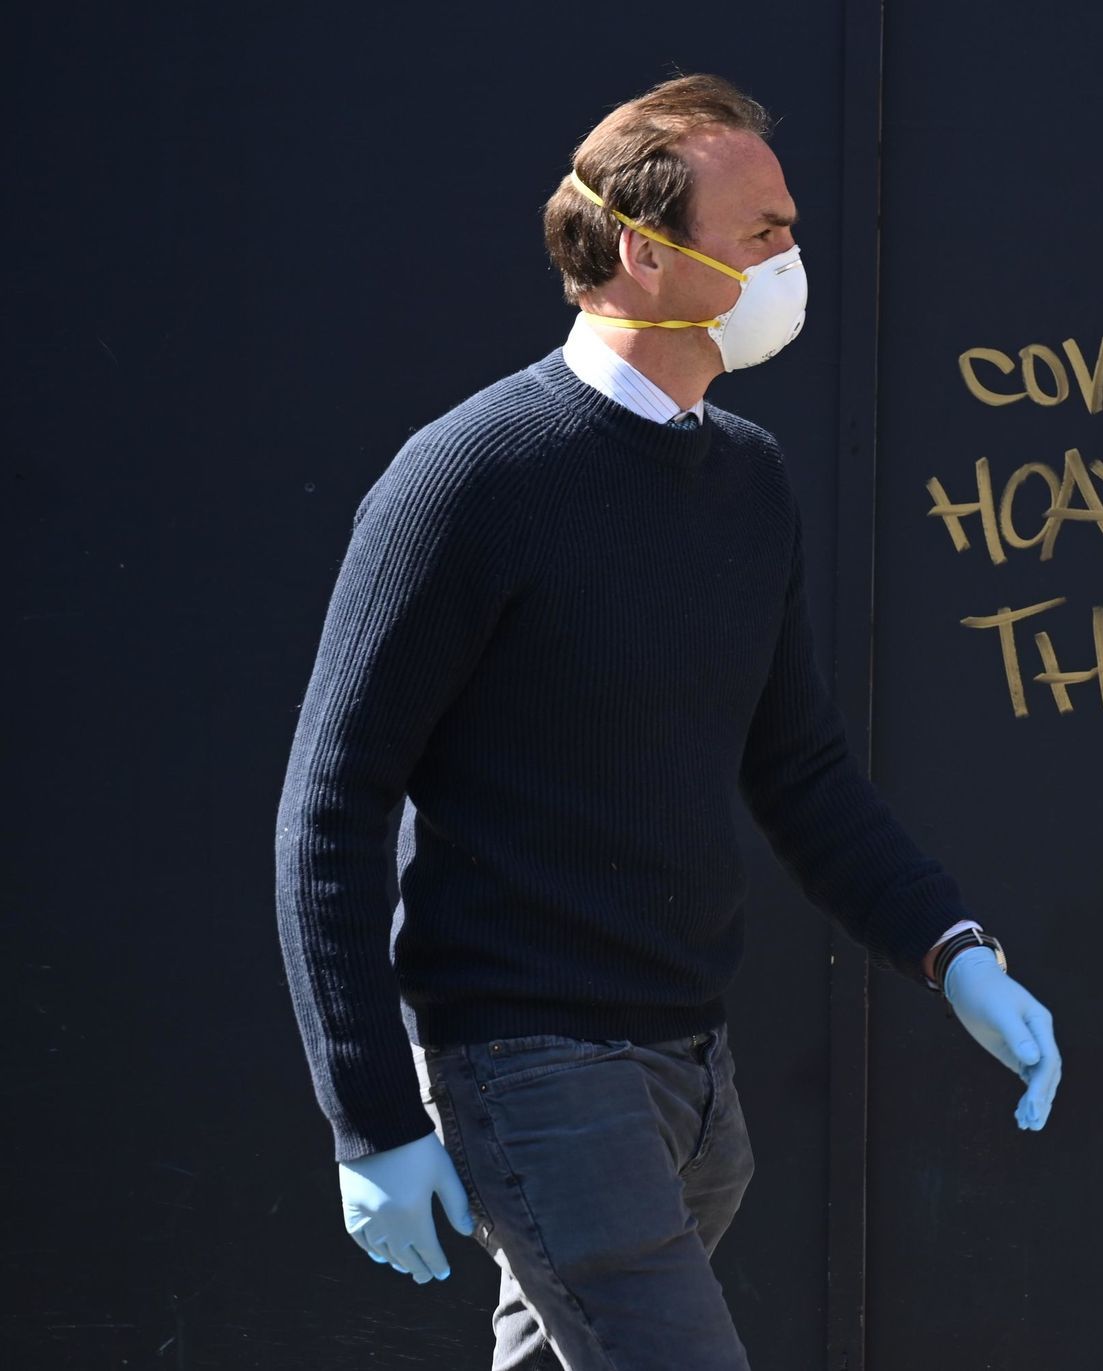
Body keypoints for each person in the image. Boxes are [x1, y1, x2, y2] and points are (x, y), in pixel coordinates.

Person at [273, 72, 1061, 1370]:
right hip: (531, 1072)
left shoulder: (745, 479)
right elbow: (334, 803)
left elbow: (798, 766)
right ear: (644, 252)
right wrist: (371, 1118)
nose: (791, 260)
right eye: (765, 233)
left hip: (691, 1085)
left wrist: (952, 949)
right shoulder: (471, 477)